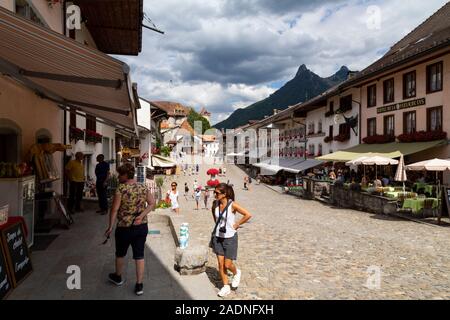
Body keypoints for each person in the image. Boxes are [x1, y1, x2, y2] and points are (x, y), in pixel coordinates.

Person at [105, 164, 155, 296]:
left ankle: (118, 277)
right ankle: (139, 285)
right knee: (139, 255)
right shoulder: (143, 186)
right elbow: (152, 203)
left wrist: (110, 227)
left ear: (125, 175)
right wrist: (141, 216)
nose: (118, 177)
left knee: (120, 253)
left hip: (124, 227)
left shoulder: (121, 189)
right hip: (141, 226)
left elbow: (114, 209)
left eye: (120, 174)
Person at [211, 183, 252, 297]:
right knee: (220, 263)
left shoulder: (232, 205)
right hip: (218, 237)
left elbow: (248, 214)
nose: (215, 194)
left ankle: (236, 272)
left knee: (227, 265)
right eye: (214, 192)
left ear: (224, 194)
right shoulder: (215, 204)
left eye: (217, 193)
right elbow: (215, 218)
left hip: (230, 238)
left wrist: (237, 224)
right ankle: (226, 286)